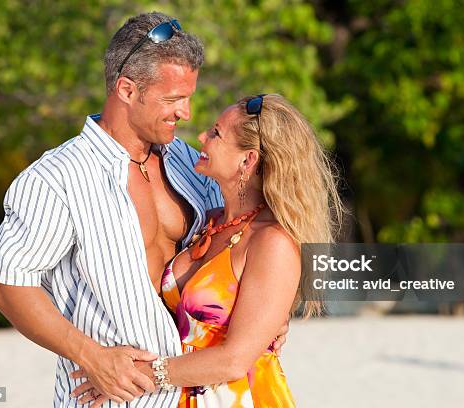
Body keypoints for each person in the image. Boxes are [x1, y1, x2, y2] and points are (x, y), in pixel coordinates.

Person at [0, 12, 286, 408]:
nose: (186, 113)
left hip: (202, 395)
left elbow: (251, 238)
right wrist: (92, 356)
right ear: (126, 89)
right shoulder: (57, 178)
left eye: (189, 97)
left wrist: (270, 312)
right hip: (113, 398)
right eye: (174, 99)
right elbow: (4, 284)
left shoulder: (190, 163)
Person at [70, 94, 344, 407]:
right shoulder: (208, 221)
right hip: (186, 396)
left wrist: (134, 377)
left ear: (247, 160)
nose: (202, 137)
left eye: (216, 133)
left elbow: (235, 359)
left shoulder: (272, 242)